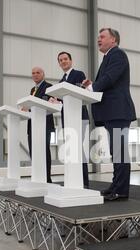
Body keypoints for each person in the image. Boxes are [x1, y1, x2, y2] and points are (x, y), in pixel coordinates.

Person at [82, 28, 136, 201]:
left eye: (102, 36)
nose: (99, 39)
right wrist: (94, 84)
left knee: (119, 152)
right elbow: (107, 79)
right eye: (98, 36)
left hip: (118, 111)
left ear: (113, 40)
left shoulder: (117, 54)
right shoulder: (109, 57)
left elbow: (110, 78)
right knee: (116, 151)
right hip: (112, 112)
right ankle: (116, 186)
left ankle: (121, 190)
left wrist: (93, 87)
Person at [53, 51, 90, 188]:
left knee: (78, 150)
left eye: (65, 59)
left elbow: (81, 92)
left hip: (79, 117)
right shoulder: (61, 81)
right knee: (71, 150)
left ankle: (84, 182)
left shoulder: (78, 74)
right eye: (60, 60)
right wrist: (54, 99)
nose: (63, 61)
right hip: (67, 119)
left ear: (71, 60)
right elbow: (62, 98)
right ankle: (74, 181)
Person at [22, 66, 55, 183]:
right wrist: (26, 109)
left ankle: (47, 179)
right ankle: (37, 177)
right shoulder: (32, 90)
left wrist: (30, 109)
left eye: (38, 72)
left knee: (44, 152)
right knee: (33, 152)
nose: (35, 75)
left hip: (44, 125)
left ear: (43, 74)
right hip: (32, 126)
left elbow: (49, 104)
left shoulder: (49, 87)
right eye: (33, 73)